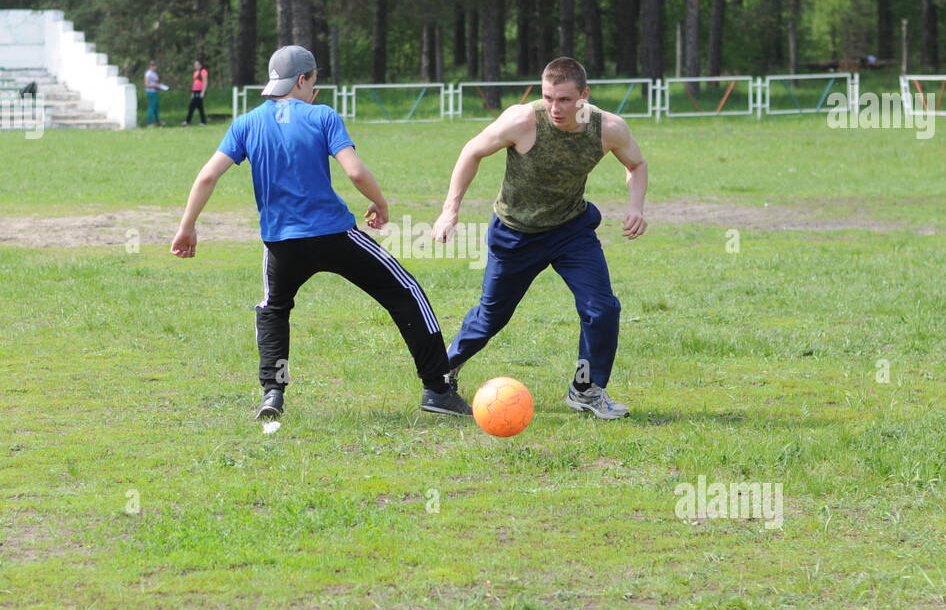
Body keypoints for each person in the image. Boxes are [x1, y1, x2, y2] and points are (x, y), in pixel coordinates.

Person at [171, 45, 472, 421]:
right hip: (334, 237)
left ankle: (272, 392)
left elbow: (207, 175)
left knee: (274, 309)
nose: (314, 90)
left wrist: (187, 227)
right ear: (302, 80)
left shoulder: (245, 123)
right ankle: (438, 389)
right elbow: (356, 172)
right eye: (313, 81)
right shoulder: (323, 116)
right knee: (404, 291)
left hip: (281, 244)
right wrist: (381, 203)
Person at [432, 57, 648, 419]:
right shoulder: (522, 120)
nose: (555, 108)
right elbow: (472, 151)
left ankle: (586, 389)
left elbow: (636, 165)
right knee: (491, 317)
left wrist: (636, 206)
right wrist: (450, 210)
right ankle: (442, 370)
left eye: (564, 99)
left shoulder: (608, 128)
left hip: (570, 230)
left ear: (585, 95)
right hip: (515, 232)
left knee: (602, 309)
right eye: (548, 97)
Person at [183, 59, 208, 125]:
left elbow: (205, 82)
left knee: (191, 106)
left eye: (197, 65)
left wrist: (203, 92)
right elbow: (195, 83)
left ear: (200, 65)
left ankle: (187, 121)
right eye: (195, 65)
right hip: (195, 91)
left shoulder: (203, 71)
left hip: (200, 92)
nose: (196, 66)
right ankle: (203, 121)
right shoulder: (196, 72)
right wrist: (192, 92)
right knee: (200, 107)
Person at [144, 61, 164, 126]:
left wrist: (159, 86)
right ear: (150, 66)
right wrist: (155, 86)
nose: (153, 67)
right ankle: (149, 122)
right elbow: (147, 84)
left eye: (154, 66)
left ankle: (158, 121)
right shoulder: (148, 74)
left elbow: (156, 82)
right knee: (151, 107)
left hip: (155, 92)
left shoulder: (155, 73)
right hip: (150, 92)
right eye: (152, 66)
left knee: (156, 107)